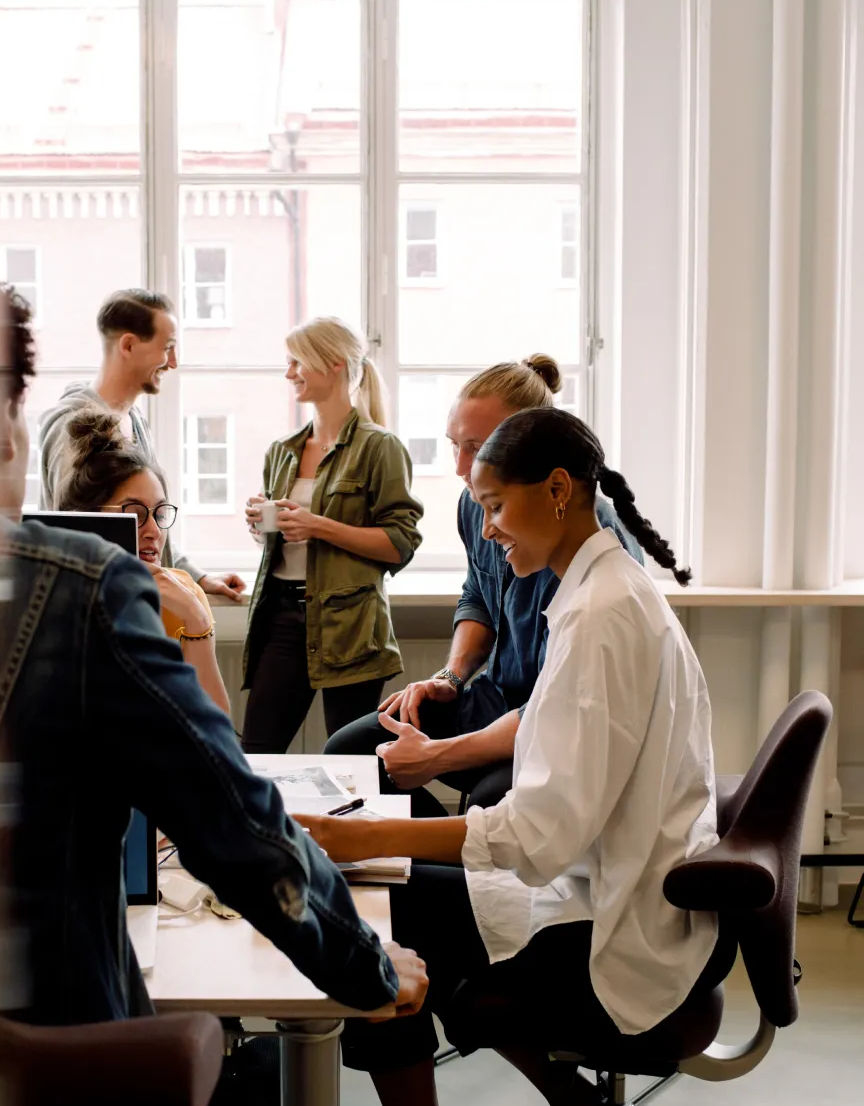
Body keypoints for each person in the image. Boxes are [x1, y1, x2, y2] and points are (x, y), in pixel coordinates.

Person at [0, 285, 429, 1106]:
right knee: (248, 1062)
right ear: (9, 427)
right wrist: (360, 962)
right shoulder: (74, 589)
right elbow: (233, 817)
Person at [296, 407, 730, 1106]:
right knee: (404, 914)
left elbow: (537, 834)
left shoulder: (603, 612)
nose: (487, 528)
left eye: (495, 506)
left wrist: (366, 839)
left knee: (371, 922)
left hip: (616, 924)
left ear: (559, 493)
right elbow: (550, 752)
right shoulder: (597, 592)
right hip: (606, 886)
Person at [325, 357, 641, 816]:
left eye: (476, 447)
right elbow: (478, 594)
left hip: (553, 719)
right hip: (495, 699)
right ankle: (428, 867)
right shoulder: (474, 506)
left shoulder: (595, 546)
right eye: (454, 445)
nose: (460, 467)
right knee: (350, 752)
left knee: (495, 799)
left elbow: (559, 709)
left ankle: (455, 874)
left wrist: (435, 757)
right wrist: (450, 677)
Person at [240, 316, 423, 752]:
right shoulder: (281, 452)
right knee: (256, 756)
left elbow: (400, 544)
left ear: (334, 364)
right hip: (281, 618)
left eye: (296, 362)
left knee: (352, 763)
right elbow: (285, 546)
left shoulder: (380, 448)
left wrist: (317, 525)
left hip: (352, 627)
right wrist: (260, 525)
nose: (289, 374)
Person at [36, 287, 245, 602]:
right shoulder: (72, 426)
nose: (173, 362)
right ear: (129, 345)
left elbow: (148, 524)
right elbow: (71, 536)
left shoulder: (135, 422)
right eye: (168, 347)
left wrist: (197, 576)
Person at [53, 405, 230, 715]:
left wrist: (196, 619)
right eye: (134, 514)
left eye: (160, 513)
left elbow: (218, 736)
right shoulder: (55, 597)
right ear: (89, 520)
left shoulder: (183, 594)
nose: (153, 531)